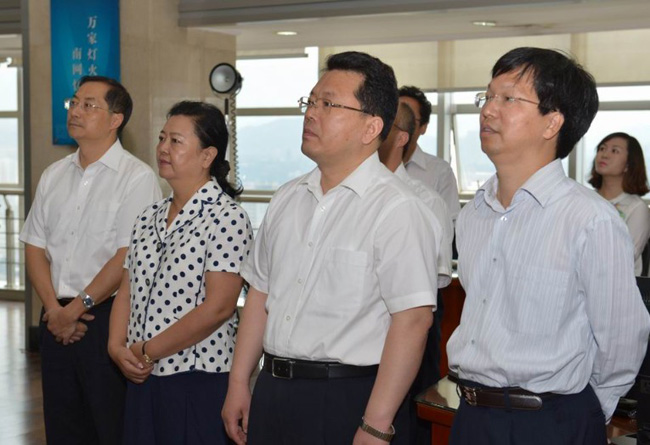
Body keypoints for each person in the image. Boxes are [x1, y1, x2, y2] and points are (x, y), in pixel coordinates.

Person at [222, 51, 440, 445]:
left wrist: (376, 424)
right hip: (273, 389)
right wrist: (240, 381)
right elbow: (260, 294)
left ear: (371, 127)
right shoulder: (288, 197)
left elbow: (412, 322)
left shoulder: (398, 210)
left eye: (328, 104)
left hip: (347, 396)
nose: (311, 113)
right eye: (310, 102)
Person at [447, 47, 650, 445]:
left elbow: (622, 339)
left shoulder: (589, 218)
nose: (488, 110)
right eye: (487, 96)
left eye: (509, 98)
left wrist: (587, 414)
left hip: (551, 421)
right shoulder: (475, 214)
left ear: (552, 122)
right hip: (471, 414)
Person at [20, 75, 162, 444]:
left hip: (105, 319)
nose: (76, 111)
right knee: (62, 426)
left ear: (116, 119)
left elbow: (127, 256)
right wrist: (56, 310)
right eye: (75, 102)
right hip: (54, 317)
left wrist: (77, 308)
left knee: (108, 425)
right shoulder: (54, 174)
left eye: (89, 105)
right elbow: (34, 245)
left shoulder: (136, 177)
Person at [108, 101, 253, 444]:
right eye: (162, 138)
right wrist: (116, 347)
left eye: (176, 141)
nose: (163, 148)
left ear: (207, 156)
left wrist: (148, 350)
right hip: (141, 372)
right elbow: (127, 289)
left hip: (196, 377)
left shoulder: (227, 217)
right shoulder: (149, 216)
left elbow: (219, 307)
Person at [378, 101, 453, 445]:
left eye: (384, 126)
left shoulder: (425, 201)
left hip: (411, 322)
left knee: (410, 420)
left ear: (401, 138)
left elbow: (434, 281)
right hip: (351, 351)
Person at [588, 132, 650, 275]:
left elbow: (625, 256)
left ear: (628, 164)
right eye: (602, 149)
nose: (604, 155)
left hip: (618, 282)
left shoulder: (637, 208)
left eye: (614, 151)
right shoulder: (585, 199)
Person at [399, 86, 461, 224]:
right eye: (395, 117)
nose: (400, 125)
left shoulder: (440, 171)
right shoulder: (373, 164)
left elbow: (450, 223)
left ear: (423, 127)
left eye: (408, 119)